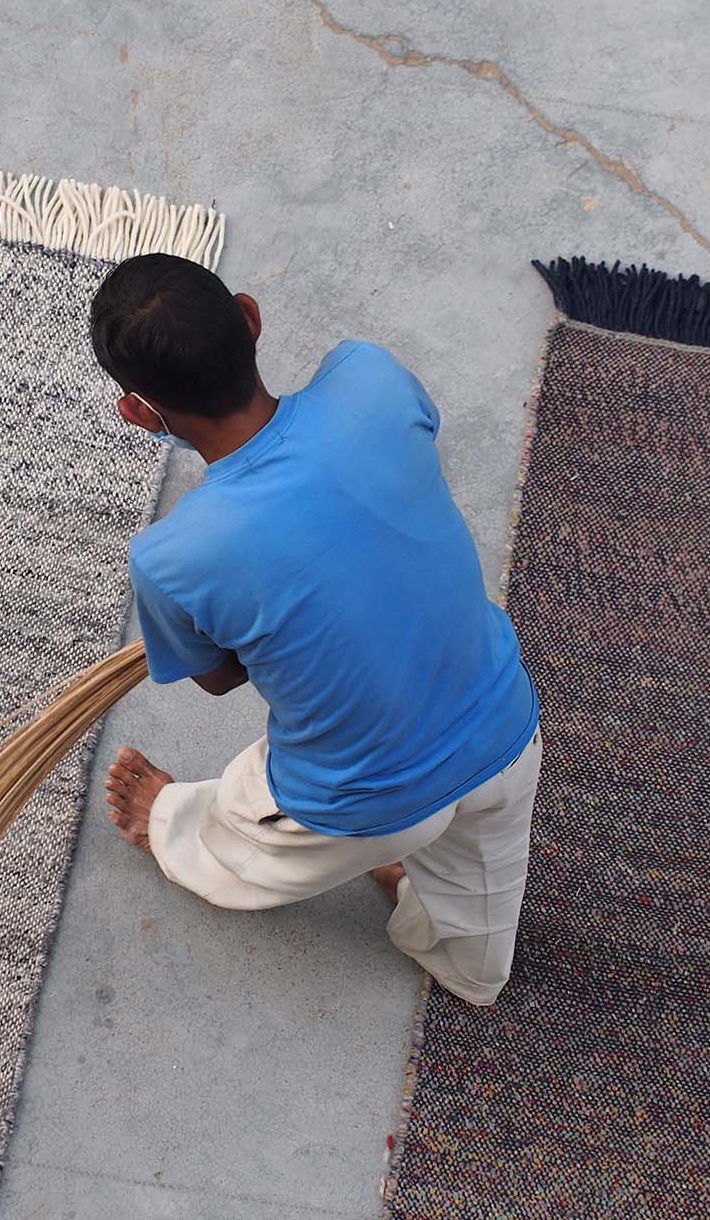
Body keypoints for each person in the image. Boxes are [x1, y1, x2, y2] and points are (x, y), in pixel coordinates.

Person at [88, 252, 542, 1007]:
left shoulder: (171, 556)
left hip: (361, 805)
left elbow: (221, 674)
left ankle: (169, 818)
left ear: (138, 410)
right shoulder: (370, 376)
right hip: (505, 731)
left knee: (238, 829)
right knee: (478, 907)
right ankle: (463, 955)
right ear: (250, 315)